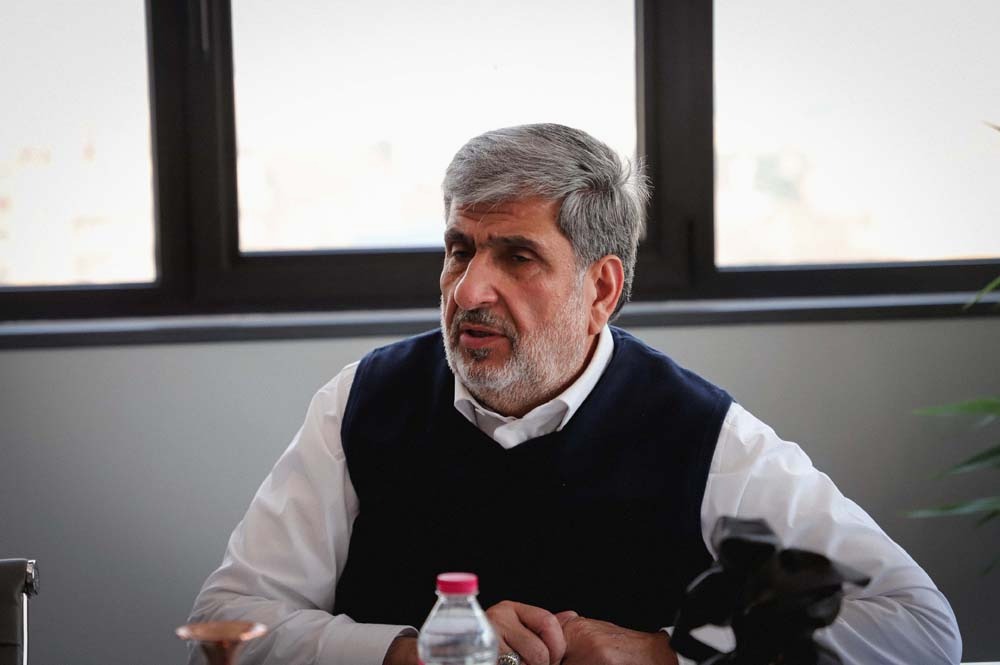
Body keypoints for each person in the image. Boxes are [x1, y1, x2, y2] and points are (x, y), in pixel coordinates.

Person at [187, 124, 961, 665]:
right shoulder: (358, 402)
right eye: (459, 249)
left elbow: (918, 627)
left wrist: (666, 653)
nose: (468, 290)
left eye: (517, 256)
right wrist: (409, 653)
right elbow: (226, 622)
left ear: (602, 289)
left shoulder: (704, 435)